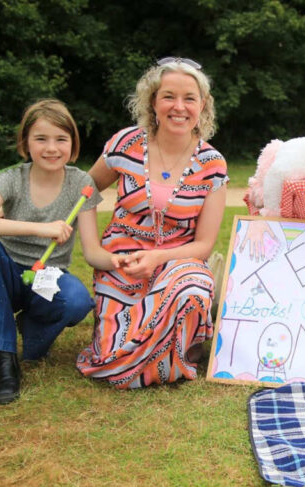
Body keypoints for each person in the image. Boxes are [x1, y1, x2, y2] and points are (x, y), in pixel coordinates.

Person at [75, 57, 227, 389]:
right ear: (153, 102)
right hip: (122, 263)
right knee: (110, 365)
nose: (179, 107)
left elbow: (203, 245)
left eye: (190, 98)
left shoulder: (212, 163)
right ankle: (166, 346)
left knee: (192, 284)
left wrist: (158, 258)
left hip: (176, 265)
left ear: (202, 105)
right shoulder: (125, 144)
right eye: (168, 96)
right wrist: (92, 250)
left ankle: (181, 342)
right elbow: (83, 191)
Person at [0, 99, 121, 405]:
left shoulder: (81, 184)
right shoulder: (11, 178)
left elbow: (92, 252)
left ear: (72, 144)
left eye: (61, 139)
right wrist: (40, 228)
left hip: (46, 275)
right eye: (41, 139)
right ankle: (4, 360)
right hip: (1, 271)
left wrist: (116, 261)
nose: (51, 148)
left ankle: (29, 333)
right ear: (25, 143)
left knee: (76, 301)